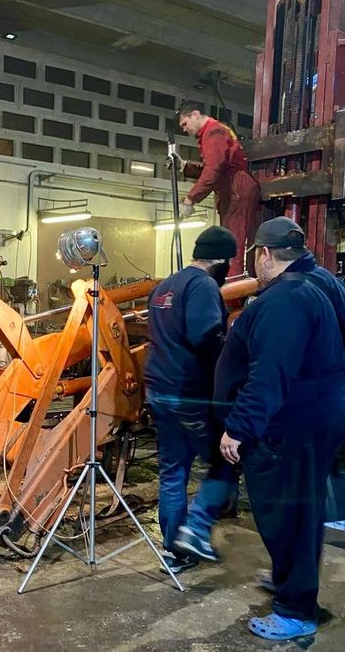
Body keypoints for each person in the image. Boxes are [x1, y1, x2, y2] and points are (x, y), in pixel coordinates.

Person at [215, 216, 345, 640]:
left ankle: (294, 609)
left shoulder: (284, 301)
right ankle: (292, 578)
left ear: (265, 255)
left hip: (285, 428)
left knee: (285, 514)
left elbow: (269, 375)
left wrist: (239, 427)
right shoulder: (321, 284)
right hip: (316, 420)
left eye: (254, 256)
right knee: (302, 512)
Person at [144, 226, 239, 574]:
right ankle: (195, 530)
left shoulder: (163, 287)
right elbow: (206, 337)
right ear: (221, 260)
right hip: (188, 393)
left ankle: (176, 552)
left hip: (158, 389)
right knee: (225, 462)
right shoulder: (203, 286)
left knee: (173, 471)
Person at [176, 101, 261, 278]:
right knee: (230, 245)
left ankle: (233, 295)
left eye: (185, 124)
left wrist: (191, 198)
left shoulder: (213, 131)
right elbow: (216, 169)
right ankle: (231, 289)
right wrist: (184, 166)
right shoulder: (217, 131)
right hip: (232, 189)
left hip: (235, 190)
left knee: (232, 246)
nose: (185, 129)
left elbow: (213, 170)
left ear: (195, 115)